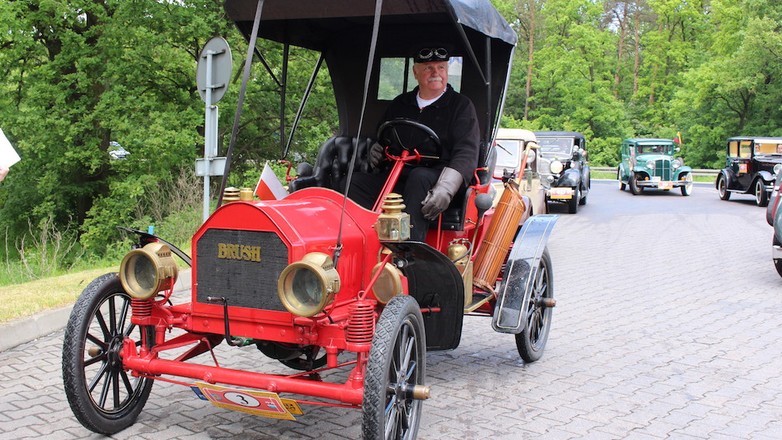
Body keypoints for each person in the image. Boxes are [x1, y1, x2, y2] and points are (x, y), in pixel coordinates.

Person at [347, 46, 480, 241]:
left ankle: (409, 253)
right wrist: (377, 149)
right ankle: (359, 239)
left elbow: (466, 152)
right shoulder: (400, 103)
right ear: (415, 72)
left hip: (436, 181)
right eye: (428, 68)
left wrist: (447, 187)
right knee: (353, 183)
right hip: (399, 175)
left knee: (419, 177)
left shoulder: (461, 105)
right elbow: (384, 135)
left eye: (441, 68)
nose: (436, 73)